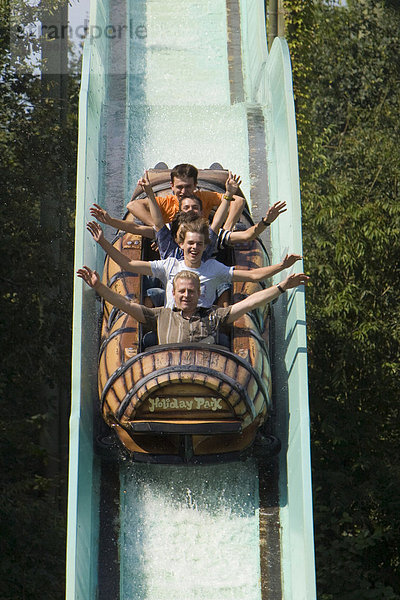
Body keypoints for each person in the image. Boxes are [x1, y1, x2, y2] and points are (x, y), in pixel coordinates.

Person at [86, 218, 303, 309]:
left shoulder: (213, 268)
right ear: (181, 243)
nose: (194, 248)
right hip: (172, 320)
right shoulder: (170, 265)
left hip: (204, 323)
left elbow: (254, 276)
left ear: (204, 246)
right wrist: (102, 241)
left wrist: (283, 267)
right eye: (190, 243)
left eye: (199, 244)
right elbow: (130, 263)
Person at [77, 268, 309, 345]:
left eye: (191, 291)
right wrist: (99, 287)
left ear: (199, 294)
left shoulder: (214, 315)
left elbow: (249, 302)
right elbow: (124, 304)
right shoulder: (160, 315)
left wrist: (281, 286)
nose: (186, 295)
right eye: (182, 291)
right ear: (174, 294)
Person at [127, 163, 245, 231]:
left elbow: (238, 201)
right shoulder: (166, 202)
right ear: (172, 186)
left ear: (195, 185)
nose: (183, 191)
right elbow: (133, 205)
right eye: (179, 187)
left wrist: (226, 229)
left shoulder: (205, 197)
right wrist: (161, 230)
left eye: (188, 187)